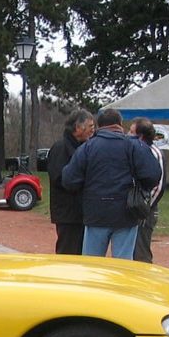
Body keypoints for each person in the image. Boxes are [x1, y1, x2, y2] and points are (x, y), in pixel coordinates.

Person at [61, 108, 161, 260]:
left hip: (95, 213)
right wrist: (140, 187)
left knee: (92, 264)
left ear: (99, 125)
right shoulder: (133, 146)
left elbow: (69, 179)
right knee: (123, 265)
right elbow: (153, 175)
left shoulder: (87, 148)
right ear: (120, 125)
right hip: (126, 213)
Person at [47, 108, 95, 254]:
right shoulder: (60, 148)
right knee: (68, 251)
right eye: (90, 127)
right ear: (77, 128)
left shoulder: (84, 147)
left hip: (82, 212)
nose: (93, 130)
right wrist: (83, 181)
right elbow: (59, 178)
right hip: (68, 213)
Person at [129, 118, 165, 263]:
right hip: (133, 208)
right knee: (129, 250)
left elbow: (159, 185)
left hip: (144, 209)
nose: (127, 134)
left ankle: (144, 282)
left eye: (131, 132)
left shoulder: (154, 153)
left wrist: (144, 206)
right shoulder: (133, 150)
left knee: (140, 252)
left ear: (141, 136)